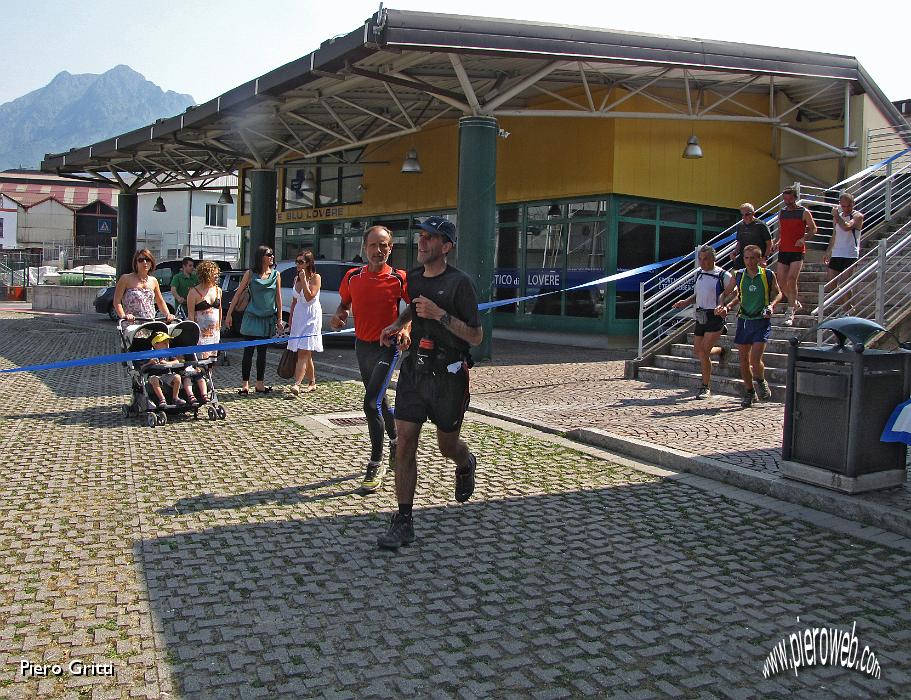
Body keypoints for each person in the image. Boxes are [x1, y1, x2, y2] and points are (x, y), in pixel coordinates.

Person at [375, 216, 482, 550]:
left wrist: (441, 316)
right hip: (415, 372)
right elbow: (413, 308)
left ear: (446, 246)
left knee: (447, 447)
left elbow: (476, 337)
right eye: (420, 236)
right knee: (404, 442)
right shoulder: (416, 278)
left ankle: (465, 463)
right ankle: (403, 520)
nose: (421, 242)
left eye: (430, 238)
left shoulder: (460, 283)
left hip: (449, 376)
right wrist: (398, 324)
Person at [330, 226, 410, 492]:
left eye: (384, 245)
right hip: (362, 347)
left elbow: (413, 309)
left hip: (388, 347)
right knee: (380, 401)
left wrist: (406, 329)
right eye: (374, 245)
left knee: (370, 402)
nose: (379, 251)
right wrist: (340, 315)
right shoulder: (353, 277)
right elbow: (344, 304)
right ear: (364, 248)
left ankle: (376, 463)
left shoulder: (400, 278)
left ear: (391, 247)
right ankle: (397, 441)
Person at [723, 244, 783, 408]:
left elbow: (778, 292)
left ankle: (761, 380)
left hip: (761, 320)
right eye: (746, 258)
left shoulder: (768, 274)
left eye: (752, 258)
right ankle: (750, 391)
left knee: (755, 359)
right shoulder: (739, 275)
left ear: (759, 259)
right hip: (744, 320)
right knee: (743, 360)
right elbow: (728, 293)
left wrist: (772, 305)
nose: (749, 261)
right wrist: (724, 305)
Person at [672, 245, 734, 399]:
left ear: (714, 258)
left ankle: (705, 386)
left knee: (704, 352)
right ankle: (721, 350)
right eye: (700, 259)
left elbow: (735, 293)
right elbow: (698, 295)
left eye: (706, 258)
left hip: (715, 315)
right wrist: (685, 302)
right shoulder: (699, 273)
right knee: (697, 351)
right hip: (700, 315)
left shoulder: (723, 275)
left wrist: (725, 307)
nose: (702, 262)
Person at [224, 245, 283, 395]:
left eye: (272, 255)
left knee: (262, 353)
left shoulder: (276, 275)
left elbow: (278, 298)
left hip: (267, 318)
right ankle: (245, 385)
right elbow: (237, 295)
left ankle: (260, 384)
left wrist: (279, 319)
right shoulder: (250, 274)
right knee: (248, 352)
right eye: (269, 254)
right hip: (251, 317)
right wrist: (229, 314)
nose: (272, 257)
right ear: (261, 257)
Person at [774, 187, 817, 327]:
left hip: (797, 250)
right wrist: (776, 242)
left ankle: (790, 310)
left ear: (795, 198)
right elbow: (780, 230)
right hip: (783, 249)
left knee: (792, 279)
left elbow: (813, 228)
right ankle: (795, 302)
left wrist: (804, 238)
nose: (787, 202)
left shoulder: (803, 212)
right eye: (785, 199)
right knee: (780, 281)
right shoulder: (783, 212)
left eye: (790, 199)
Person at [186, 260, 222, 403]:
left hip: (214, 334)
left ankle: (208, 386)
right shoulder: (193, 292)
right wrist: (192, 336)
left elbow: (219, 311)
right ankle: (199, 391)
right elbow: (190, 316)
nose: (216, 277)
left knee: (211, 364)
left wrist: (220, 326)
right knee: (200, 364)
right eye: (214, 274)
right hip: (200, 335)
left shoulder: (218, 290)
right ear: (206, 274)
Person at [287, 251, 322, 395]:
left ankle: (297, 383)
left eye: (301, 262)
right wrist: (291, 317)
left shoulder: (316, 277)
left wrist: (304, 280)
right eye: (297, 261)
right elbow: (295, 300)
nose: (298, 264)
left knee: (303, 351)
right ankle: (312, 382)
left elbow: (309, 297)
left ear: (308, 263)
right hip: (299, 316)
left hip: (311, 317)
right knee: (305, 352)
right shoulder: (296, 278)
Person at [824, 192, 864, 312]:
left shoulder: (857, 216)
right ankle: (847, 306)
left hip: (850, 254)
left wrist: (837, 216)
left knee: (846, 283)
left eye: (848, 206)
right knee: (831, 285)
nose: (846, 209)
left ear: (853, 204)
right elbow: (835, 234)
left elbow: (846, 227)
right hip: (837, 253)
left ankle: (846, 309)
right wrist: (828, 251)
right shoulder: (838, 216)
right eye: (843, 206)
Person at [113, 249, 175, 323]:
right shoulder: (126, 278)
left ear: (151, 262)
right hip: (131, 324)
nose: (145, 262)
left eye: (147, 260)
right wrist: (123, 316)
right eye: (141, 260)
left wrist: (167, 314)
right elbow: (116, 301)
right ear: (136, 263)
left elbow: (160, 301)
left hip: (149, 323)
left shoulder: (153, 280)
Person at [143, 331, 186, 409]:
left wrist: (167, 362)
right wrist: (150, 363)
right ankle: (162, 399)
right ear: (155, 345)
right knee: (154, 379)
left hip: (167, 374)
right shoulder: (150, 354)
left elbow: (177, 361)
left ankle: (175, 398)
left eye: (168, 342)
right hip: (154, 375)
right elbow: (143, 367)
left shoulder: (168, 353)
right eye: (164, 343)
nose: (167, 345)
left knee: (177, 377)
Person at [729, 203, 772, 269]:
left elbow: (769, 244)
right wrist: (735, 252)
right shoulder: (740, 226)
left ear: (753, 213)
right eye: (742, 215)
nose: (744, 217)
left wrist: (765, 258)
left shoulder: (761, 225)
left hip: (756, 259)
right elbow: (739, 243)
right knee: (734, 276)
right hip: (743, 258)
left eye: (747, 214)